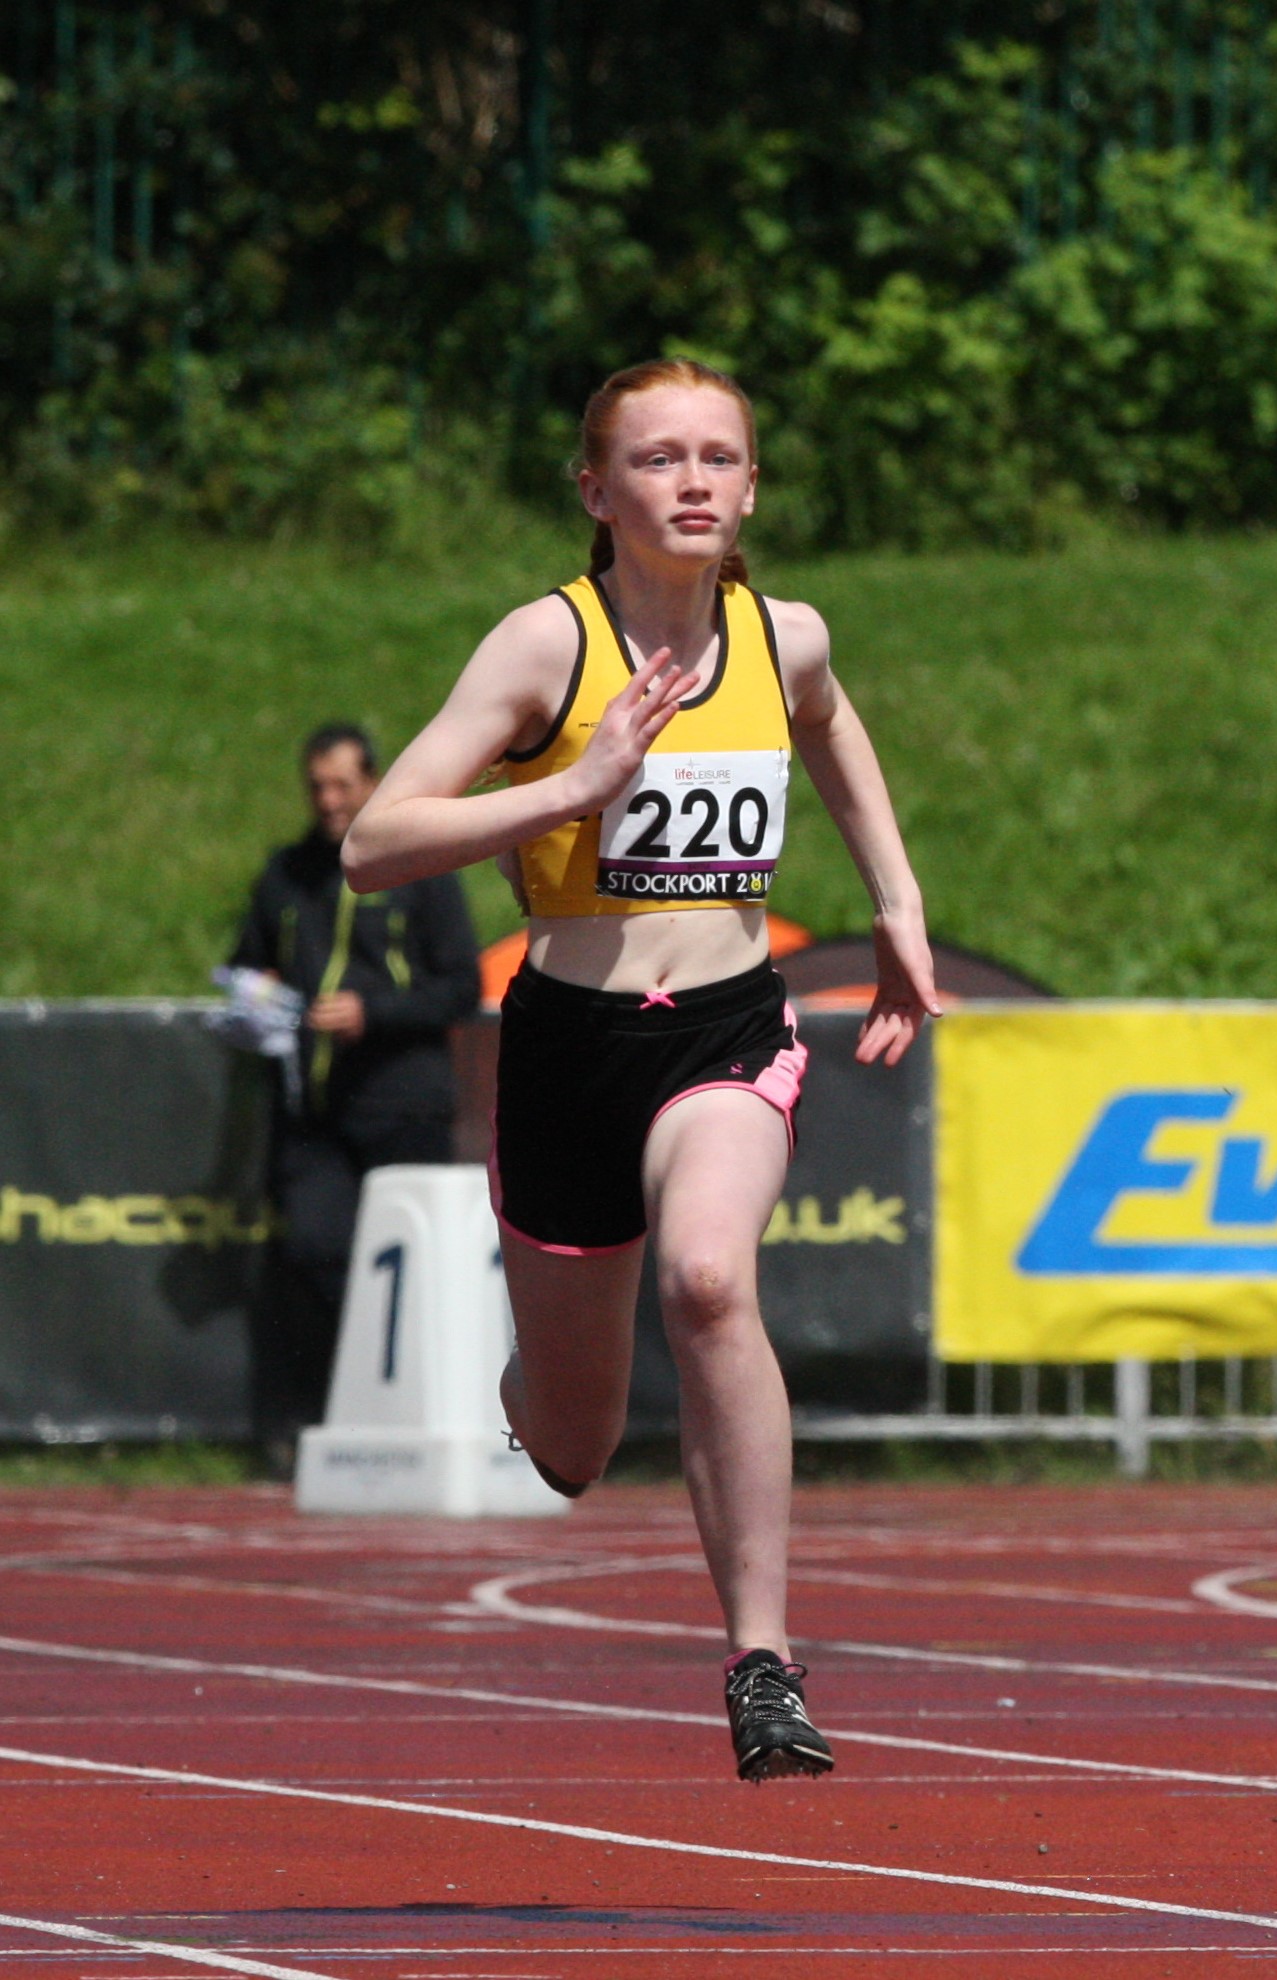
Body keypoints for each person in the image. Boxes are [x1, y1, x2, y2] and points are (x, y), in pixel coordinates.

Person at [342, 360, 939, 1781]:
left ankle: (763, 1662)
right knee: (574, 1446)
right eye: (659, 459)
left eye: (719, 458)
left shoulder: (783, 636)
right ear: (597, 491)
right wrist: (569, 786)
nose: (693, 482)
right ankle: (536, 1386)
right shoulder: (543, 647)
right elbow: (373, 844)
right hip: (567, 1051)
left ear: (752, 490)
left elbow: (829, 723)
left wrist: (898, 906)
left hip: (723, 1031)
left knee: (710, 1280)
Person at [230, 723, 480, 1462]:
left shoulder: (422, 867)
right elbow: (246, 964)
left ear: (372, 783)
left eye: (342, 785)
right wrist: (256, 995)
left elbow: (461, 985)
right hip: (314, 1110)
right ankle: (319, 1421)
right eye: (317, 786)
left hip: (404, 1105)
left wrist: (373, 1013)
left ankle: (427, 1426)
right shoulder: (286, 873)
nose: (329, 800)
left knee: (417, 1268)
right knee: (313, 1249)